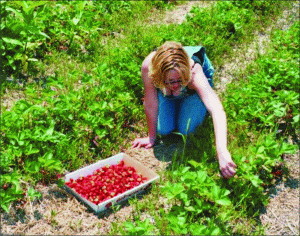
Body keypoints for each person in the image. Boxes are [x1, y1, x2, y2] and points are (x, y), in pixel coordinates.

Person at [132, 41, 236, 179]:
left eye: (179, 80)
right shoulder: (149, 67)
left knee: (187, 129)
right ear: (159, 75)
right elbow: (151, 104)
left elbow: (216, 109)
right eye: (170, 81)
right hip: (167, 87)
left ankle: (194, 96)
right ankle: (172, 95)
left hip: (191, 89)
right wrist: (152, 137)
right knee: (163, 129)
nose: (175, 85)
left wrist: (222, 151)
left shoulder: (194, 71)